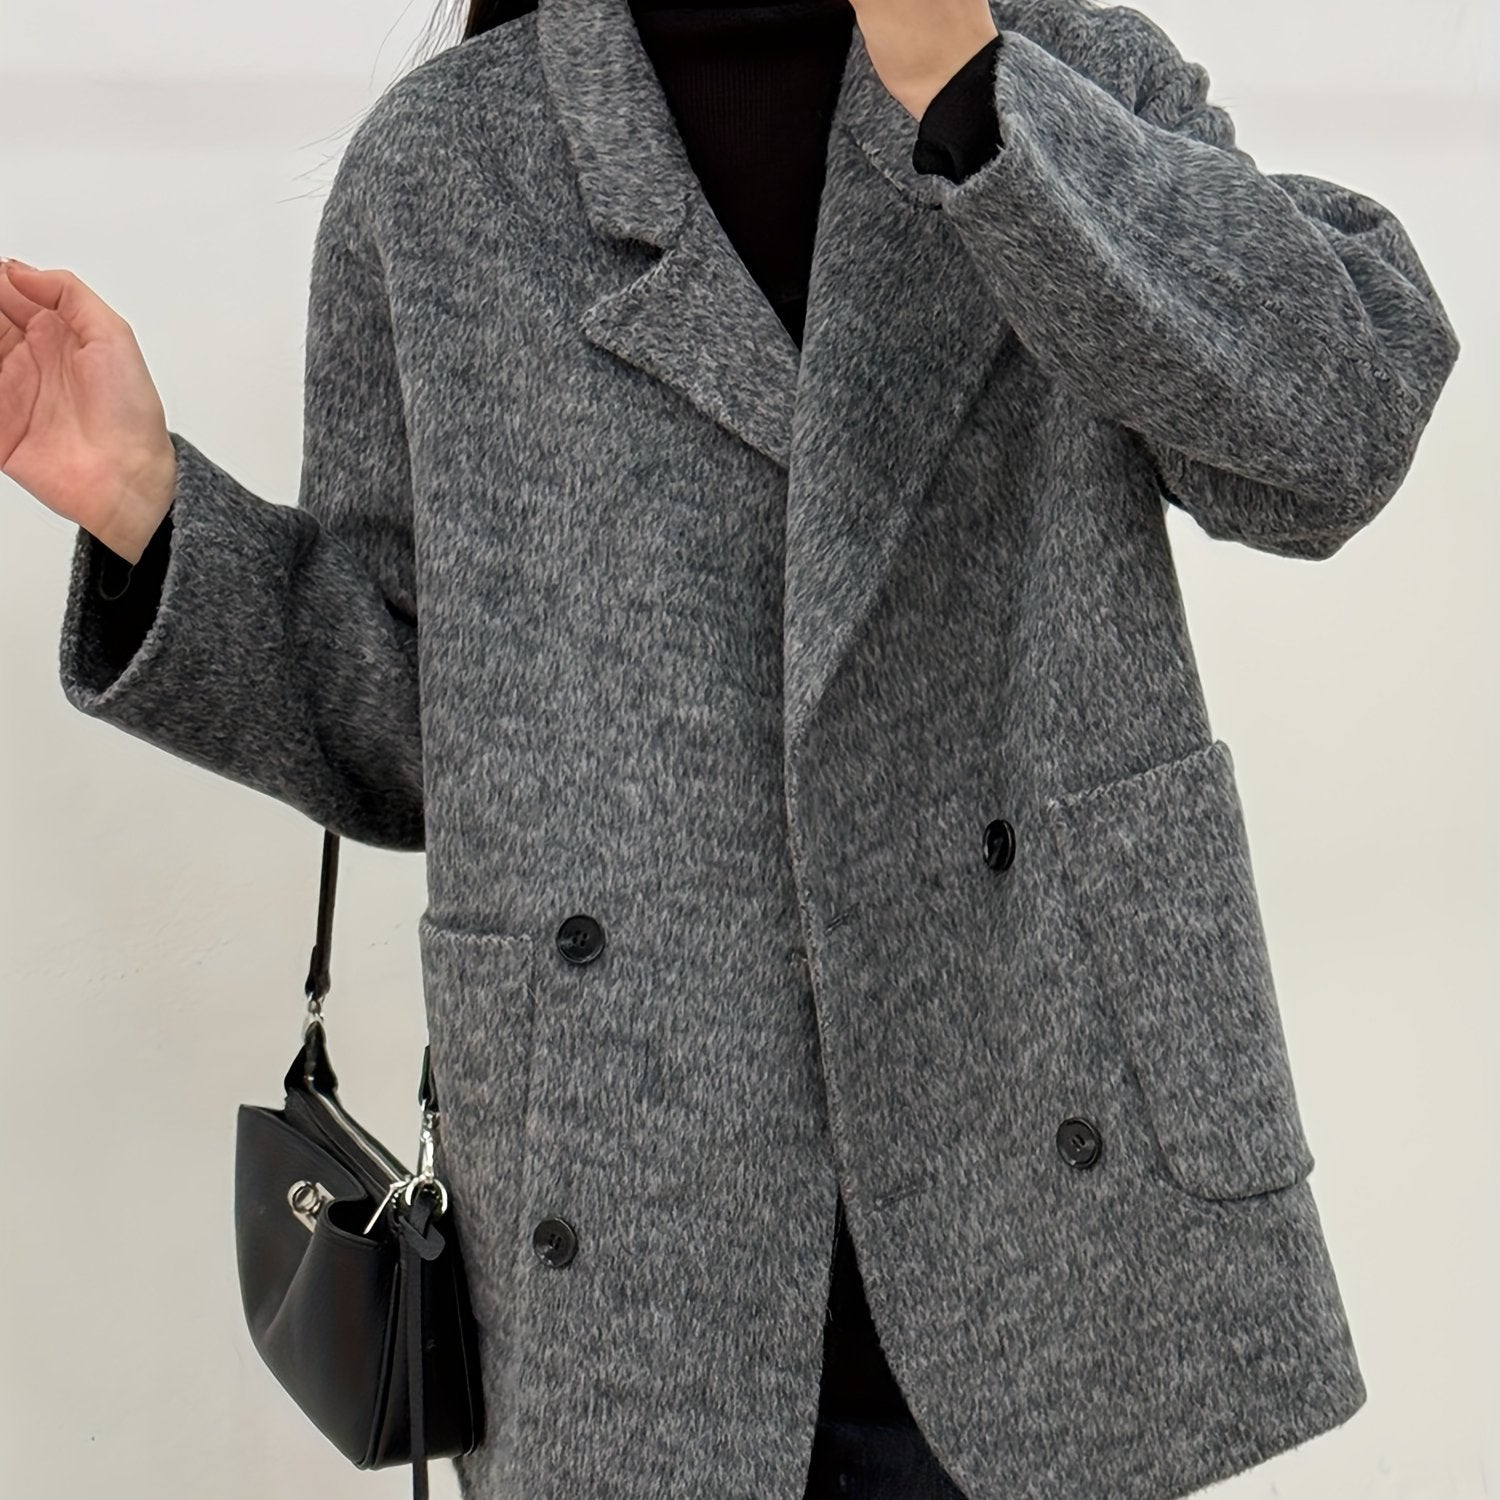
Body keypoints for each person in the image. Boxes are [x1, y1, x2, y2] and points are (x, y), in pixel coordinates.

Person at [0, 2, 1461, 1498]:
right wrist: (145, 507)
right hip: (638, 1216)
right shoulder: (441, 171)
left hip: (1046, 1166)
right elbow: (427, 739)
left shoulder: (1071, 71)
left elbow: (1335, 434)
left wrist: (980, 107)